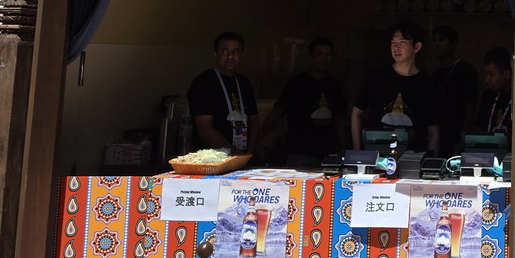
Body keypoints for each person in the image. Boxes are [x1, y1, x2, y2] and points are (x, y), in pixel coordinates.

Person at [351, 22, 441, 154]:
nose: (396, 47)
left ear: (417, 47)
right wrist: (357, 152)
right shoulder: (376, 77)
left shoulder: (427, 84)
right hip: (376, 155)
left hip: (412, 157)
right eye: (393, 42)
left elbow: (433, 129)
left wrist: (431, 161)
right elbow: (356, 112)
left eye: (402, 42)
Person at [260, 38, 348, 167]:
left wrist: (343, 148)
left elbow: (339, 119)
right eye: (319, 54)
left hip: (328, 153)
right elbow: (279, 110)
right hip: (300, 152)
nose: (324, 58)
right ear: (311, 57)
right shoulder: (297, 83)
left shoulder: (335, 86)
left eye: (328, 54)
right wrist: (260, 135)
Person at [187, 32, 259, 153]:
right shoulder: (204, 82)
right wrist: (238, 156)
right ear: (215, 53)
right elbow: (205, 130)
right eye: (225, 51)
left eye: (236, 52)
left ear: (242, 55)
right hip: (212, 159)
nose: (230, 56)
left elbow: (254, 123)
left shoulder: (244, 83)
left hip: (243, 157)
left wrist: (249, 155)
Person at [430, 26, 479, 155]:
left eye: (441, 40)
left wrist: (462, 139)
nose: (436, 44)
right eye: (434, 40)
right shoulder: (435, 73)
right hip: (437, 137)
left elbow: (471, 106)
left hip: (456, 136)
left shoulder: (465, 70)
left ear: (453, 44)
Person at [476, 47, 513, 136]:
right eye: (487, 74)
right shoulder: (487, 96)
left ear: (506, 74)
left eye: (491, 75)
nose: (487, 80)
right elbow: (480, 129)